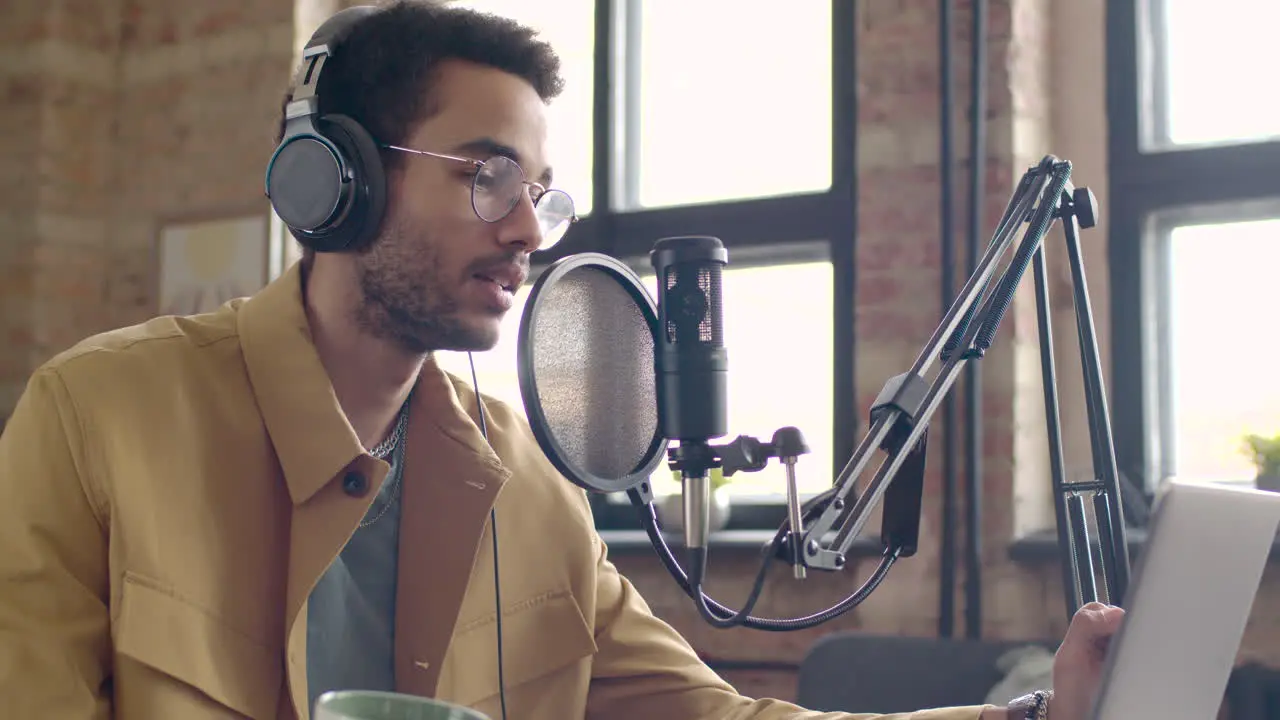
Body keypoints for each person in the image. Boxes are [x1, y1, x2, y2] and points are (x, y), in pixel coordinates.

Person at [0, 2, 1123, 719]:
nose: (532, 232)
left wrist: (1028, 718)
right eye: (487, 178)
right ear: (331, 180)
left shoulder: (527, 491)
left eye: (539, 194)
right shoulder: (96, 416)